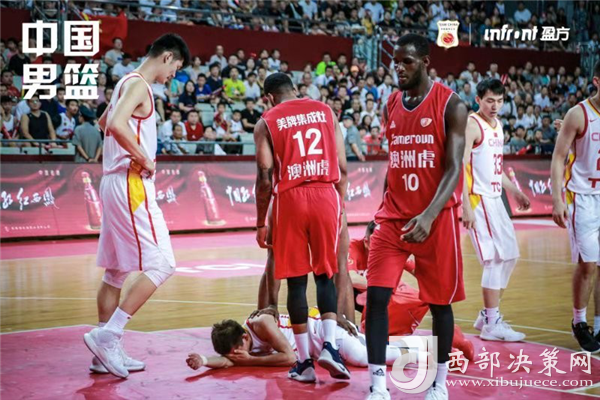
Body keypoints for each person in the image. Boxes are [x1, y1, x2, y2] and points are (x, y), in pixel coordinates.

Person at [365, 34, 467, 400]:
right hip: (393, 219)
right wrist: (379, 211)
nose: (399, 68)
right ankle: (378, 386)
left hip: (435, 220)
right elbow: (394, 164)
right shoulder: (391, 104)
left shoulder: (451, 104)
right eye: (395, 62)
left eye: (406, 61)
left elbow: (454, 168)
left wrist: (428, 215)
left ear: (425, 62)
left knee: (440, 304)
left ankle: (439, 384)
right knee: (377, 298)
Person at [83, 33, 190, 379]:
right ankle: (109, 335)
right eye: (176, 68)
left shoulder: (125, 83)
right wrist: (144, 156)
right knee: (163, 264)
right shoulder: (139, 84)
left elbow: (105, 122)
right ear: (167, 56)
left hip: (113, 182)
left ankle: (103, 354)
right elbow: (114, 125)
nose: (173, 75)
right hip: (130, 183)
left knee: (115, 271)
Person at [254, 73, 349, 383]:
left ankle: (305, 363)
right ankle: (331, 348)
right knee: (326, 274)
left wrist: (261, 222)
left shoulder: (266, 122)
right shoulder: (326, 111)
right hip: (325, 194)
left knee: (296, 281)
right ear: (294, 90)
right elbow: (342, 167)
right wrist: (339, 205)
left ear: (269, 97)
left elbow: (265, 175)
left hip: (290, 200)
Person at [461, 79, 531, 343]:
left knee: (510, 255)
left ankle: (487, 314)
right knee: (494, 259)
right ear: (478, 99)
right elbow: (460, 165)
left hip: (495, 197)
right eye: (490, 100)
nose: (495, 106)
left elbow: (496, 168)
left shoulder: (498, 125)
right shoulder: (472, 124)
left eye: (500, 101)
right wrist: (465, 204)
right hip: (478, 199)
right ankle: (492, 323)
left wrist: (515, 191)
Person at [186, 308, 414, 373]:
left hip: (321, 330)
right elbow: (229, 360)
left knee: (361, 358)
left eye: (239, 351)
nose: (239, 356)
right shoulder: (239, 343)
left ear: (245, 336)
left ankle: (421, 356)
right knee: (375, 347)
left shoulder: (262, 323)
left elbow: (290, 358)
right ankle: (423, 347)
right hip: (317, 343)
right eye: (235, 355)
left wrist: (250, 361)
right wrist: (203, 360)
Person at [551, 60, 600, 354]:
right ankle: (579, 322)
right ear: (597, 81)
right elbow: (558, 157)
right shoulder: (579, 113)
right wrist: (557, 199)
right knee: (588, 264)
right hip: (583, 197)